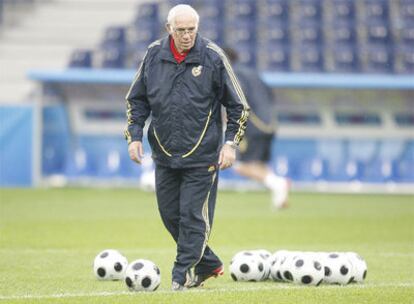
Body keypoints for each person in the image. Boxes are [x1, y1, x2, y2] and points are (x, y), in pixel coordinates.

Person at [124, 5, 249, 291]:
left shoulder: (213, 57)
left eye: (191, 29)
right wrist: (134, 136)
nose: (186, 35)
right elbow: (136, 100)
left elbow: (239, 106)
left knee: (192, 217)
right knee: (170, 217)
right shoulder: (154, 55)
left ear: (197, 27)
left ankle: (180, 276)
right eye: (180, 30)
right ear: (169, 29)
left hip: (203, 156)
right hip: (164, 155)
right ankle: (207, 263)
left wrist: (230, 145)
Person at [223, 47, 289, 209]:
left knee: (240, 166)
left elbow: (237, 99)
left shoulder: (233, 75)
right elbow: (270, 95)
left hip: (252, 125)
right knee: (260, 164)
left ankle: (278, 184)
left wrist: (227, 121)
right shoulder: (253, 74)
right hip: (270, 123)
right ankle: (279, 199)